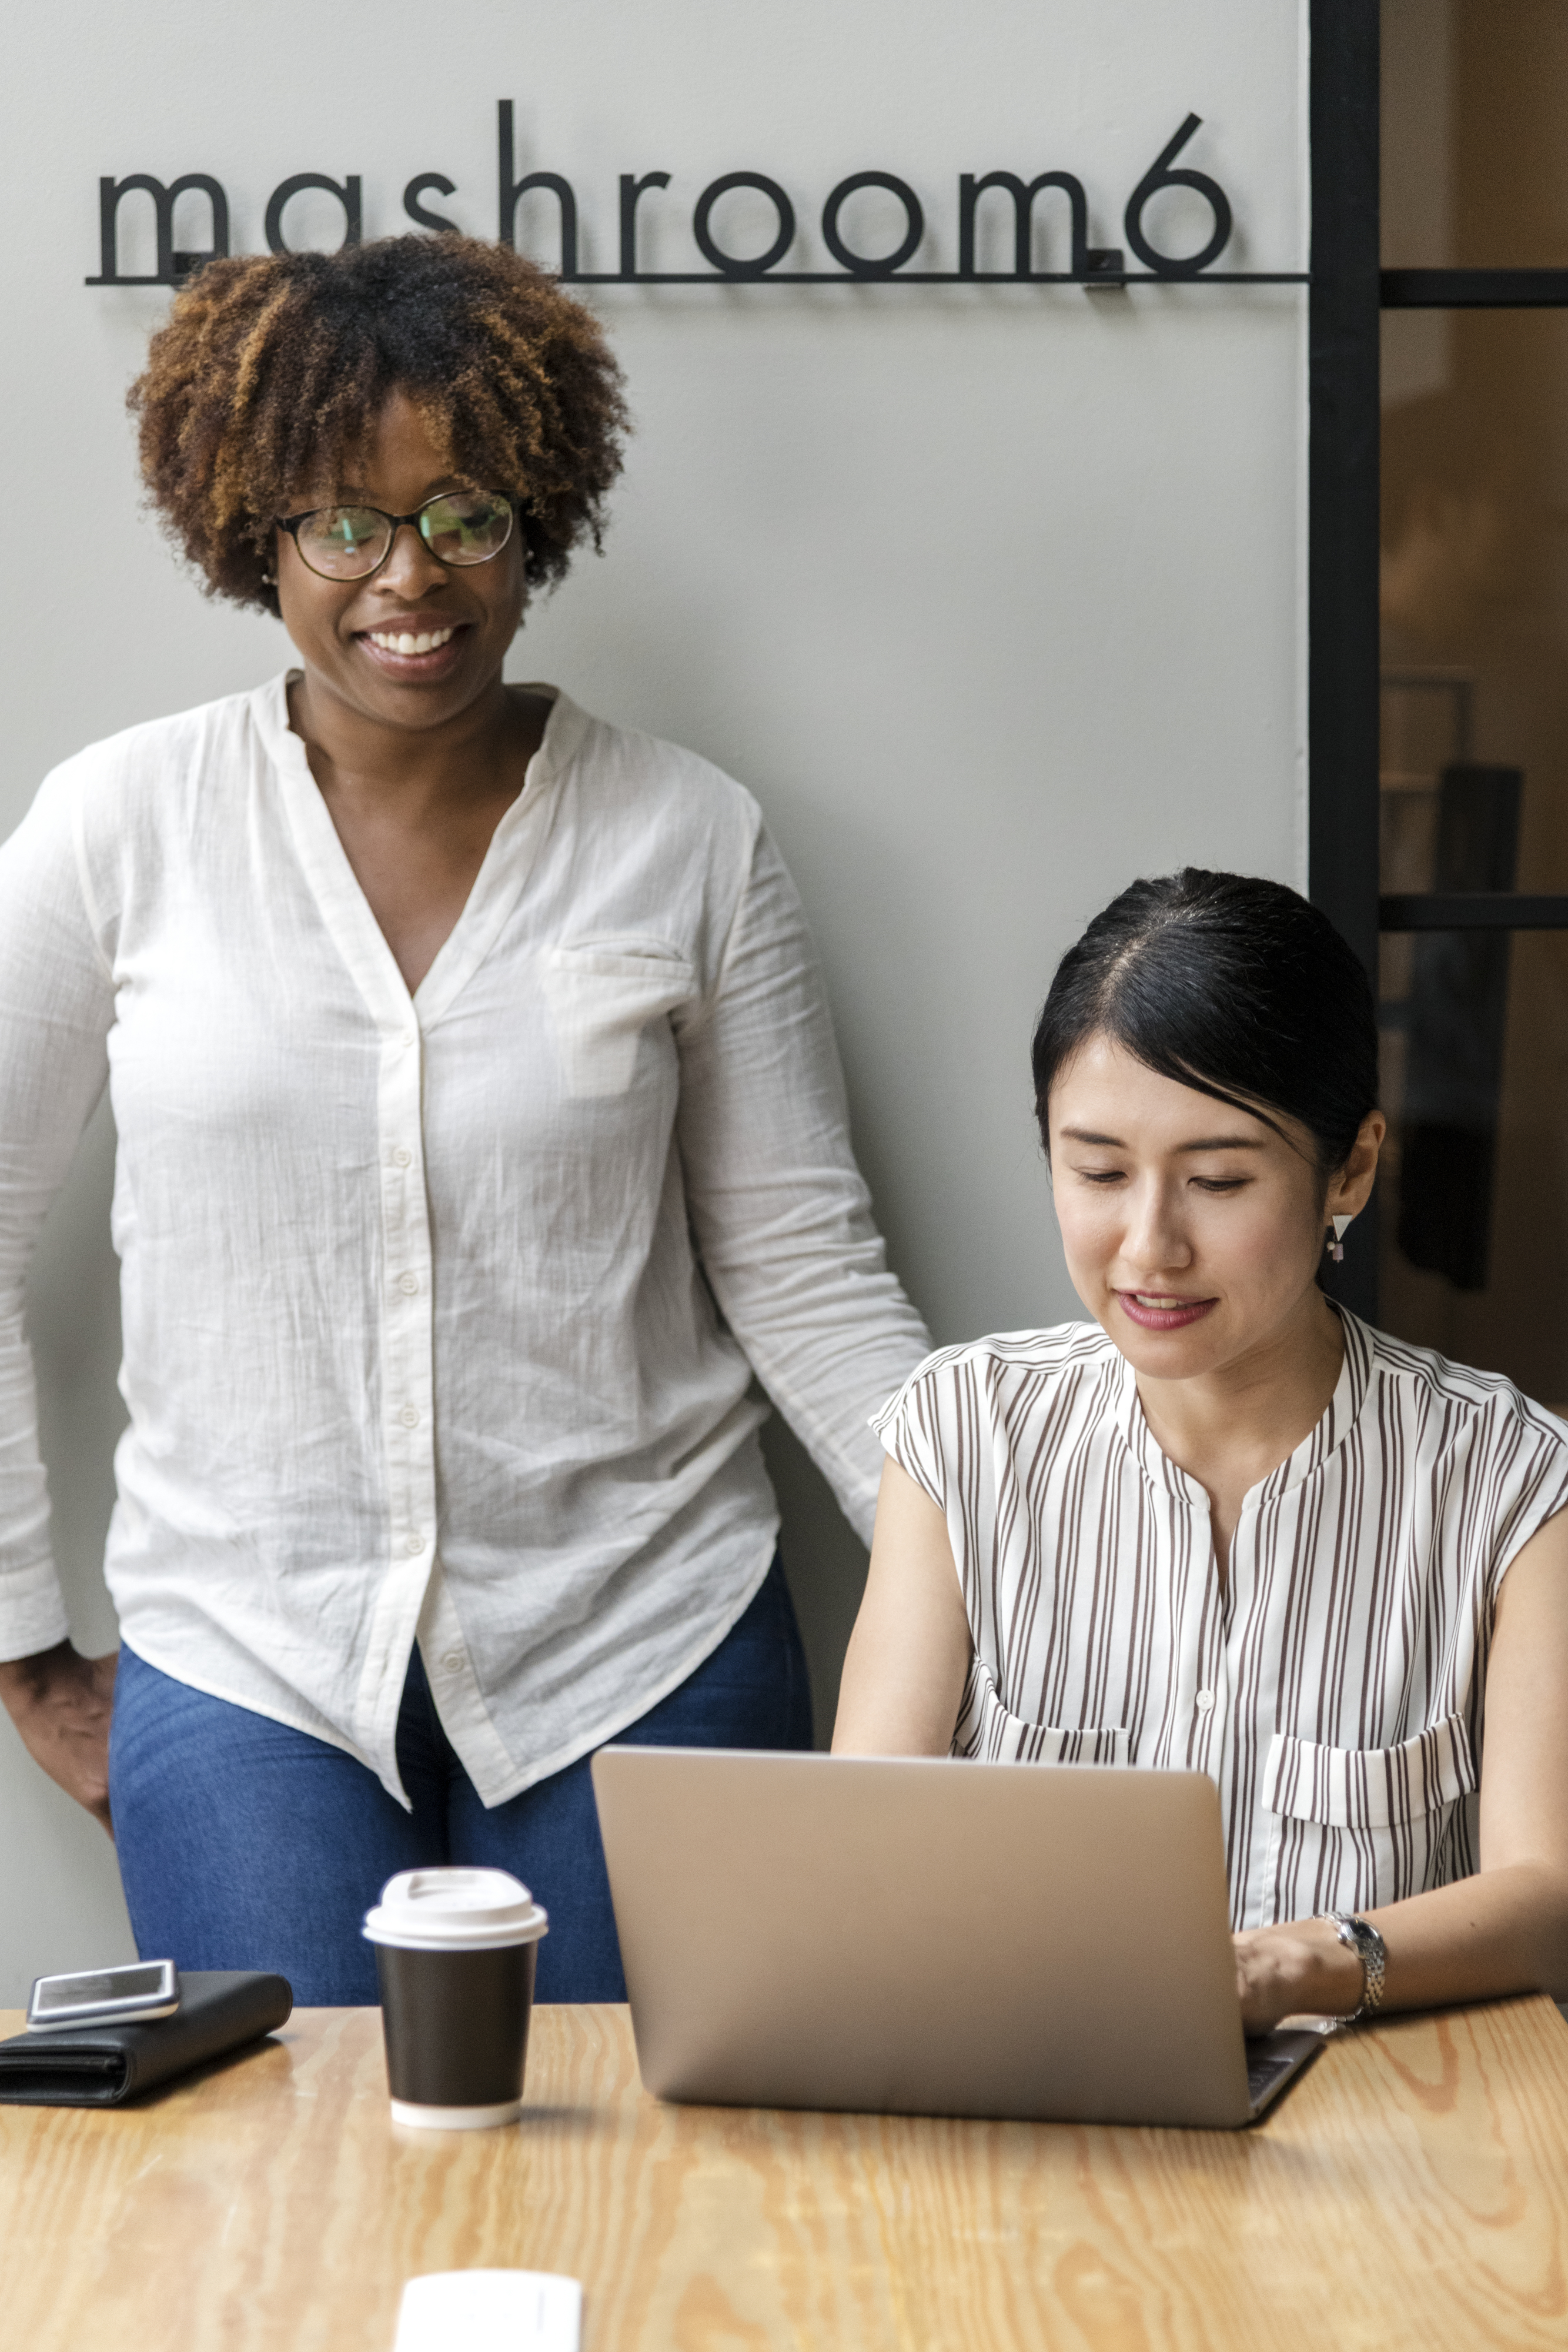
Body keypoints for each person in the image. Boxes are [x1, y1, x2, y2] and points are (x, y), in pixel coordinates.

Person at [0, 233, 931, 2002]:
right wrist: (24, 1657)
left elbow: (804, 1278)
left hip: (646, 1645)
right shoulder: (118, 828)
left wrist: (1008, 1587)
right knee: (294, 2220)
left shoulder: (688, 837)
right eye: (341, 522)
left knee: (649, 2225)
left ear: (542, 512)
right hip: (247, 1663)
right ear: (251, 533)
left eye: (464, 513)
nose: (405, 576)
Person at [833, 870, 1568, 2033]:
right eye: (1096, 1170)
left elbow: (1544, 1900)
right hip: (1032, 2102)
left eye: (1217, 1179)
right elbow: (860, 1845)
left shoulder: (1508, 1482)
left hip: (1376, 2135)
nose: (1147, 1244)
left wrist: (1290, 1968)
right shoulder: (963, 1432)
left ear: (1349, 1169)